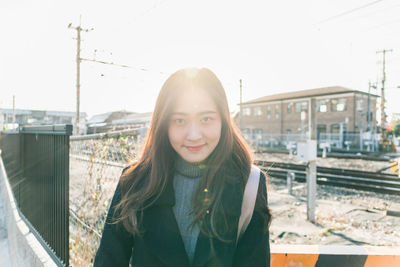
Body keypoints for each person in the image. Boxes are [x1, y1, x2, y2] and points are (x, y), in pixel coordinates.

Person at [94, 68, 271, 267]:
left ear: (223, 121)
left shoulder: (250, 184)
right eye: (180, 120)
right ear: (164, 124)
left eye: (206, 119)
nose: (194, 135)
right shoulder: (134, 182)